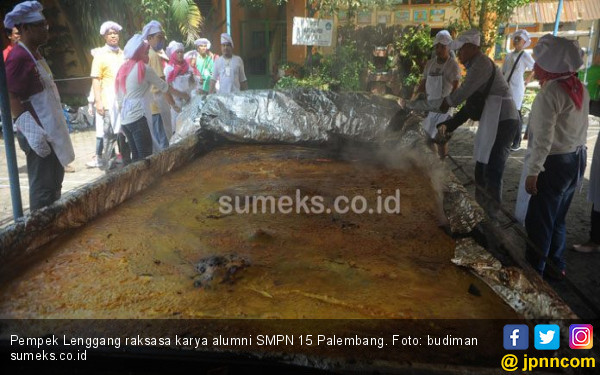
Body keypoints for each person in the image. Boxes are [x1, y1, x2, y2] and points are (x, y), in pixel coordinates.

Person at [436, 29, 520, 221]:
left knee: (493, 168)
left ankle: (492, 217)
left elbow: (464, 92)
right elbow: (470, 107)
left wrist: (447, 102)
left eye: (462, 50)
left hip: (504, 119)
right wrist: (450, 124)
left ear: (473, 47)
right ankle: (480, 211)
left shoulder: (481, 63)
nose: (459, 55)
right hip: (493, 117)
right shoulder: (474, 66)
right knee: (482, 164)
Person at [523, 34, 589, 279]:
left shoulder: (549, 94)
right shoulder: (579, 87)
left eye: (538, 63)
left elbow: (543, 138)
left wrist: (533, 171)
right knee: (558, 218)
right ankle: (556, 266)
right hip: (577, 160)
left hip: (555, 163)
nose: (534, 67)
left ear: (549, 66)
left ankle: (534, 273)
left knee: (540, 220)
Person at [4, 1, 74, 210]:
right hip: (38, 134)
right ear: (24, 28)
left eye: (45, 25)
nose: (45, 30)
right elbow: (10, 95)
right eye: (39, 26)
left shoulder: (35, 54)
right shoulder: (18, 57)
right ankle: (42, 234)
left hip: (50, 130)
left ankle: (54, 229)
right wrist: (32, 131)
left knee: (53, 185)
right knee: (43, 191)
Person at [115, 34, 188, 162]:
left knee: (136, 158)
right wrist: (180, 98)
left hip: (126, 120)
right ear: (138, 52)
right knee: (145, 159)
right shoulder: (144, 68)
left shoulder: (124, 68)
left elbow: (120, 96)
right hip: (138, 119)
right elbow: (164, 87)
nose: (148, 56)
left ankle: (137, 181)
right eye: (146, 52)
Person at [413, 30, 460, 159]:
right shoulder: (430, 64)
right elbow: (423, 82)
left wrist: (451, 102)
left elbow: (456, 86)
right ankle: (435, 161)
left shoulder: (453, 66)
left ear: (448, 47)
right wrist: (416, 97)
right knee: (428, 137)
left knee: (441, 139)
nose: (439, 50)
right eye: (437, 46)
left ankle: (442, 163)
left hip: (444, 108)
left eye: (443, 47)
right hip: (430, 106)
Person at [86, 21, 125, 169]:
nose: (114, 36)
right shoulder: (100, 55)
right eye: (110, 34)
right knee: (109, 134)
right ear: (104, 36)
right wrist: (98, 102)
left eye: (115, 33)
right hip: (108, 101)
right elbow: (96, 79)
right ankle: (107, 165)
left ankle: (125, 162)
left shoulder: (123, 54)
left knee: (123, 133)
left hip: (123, 100)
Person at [501, 29, 535, 151]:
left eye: (518, 39)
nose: (516, 41)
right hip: (506, 86)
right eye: (515, 38)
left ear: (524, 41)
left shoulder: (525, 55)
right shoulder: (509, 55)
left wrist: (527, 80)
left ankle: (517, 141)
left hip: (517, 87)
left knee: (516, 113)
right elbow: (503, 71)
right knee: (507, 111)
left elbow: (535, 68)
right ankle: (506, 138)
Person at [142, 20, 171, 151]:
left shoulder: (148, 53)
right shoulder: (153, 55)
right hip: (157, 103)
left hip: (150, 104)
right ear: (149, 38)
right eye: (159, 37)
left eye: (162, 37)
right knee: (163, 138)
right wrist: (173, 103)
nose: (162, 40)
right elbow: (162, 84)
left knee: (157, 138)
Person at [163, 41, 194, 134]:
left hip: (189, 102)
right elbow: (167, 88)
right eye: (177, 52)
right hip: (177, 104)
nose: (180, 54)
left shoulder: (187, 67)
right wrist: (173, 103)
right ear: (173, 54)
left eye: (181, 52)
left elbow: (192, 83)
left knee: (189, 129)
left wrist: (193, 78)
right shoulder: (169, 69)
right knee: (178, 130)